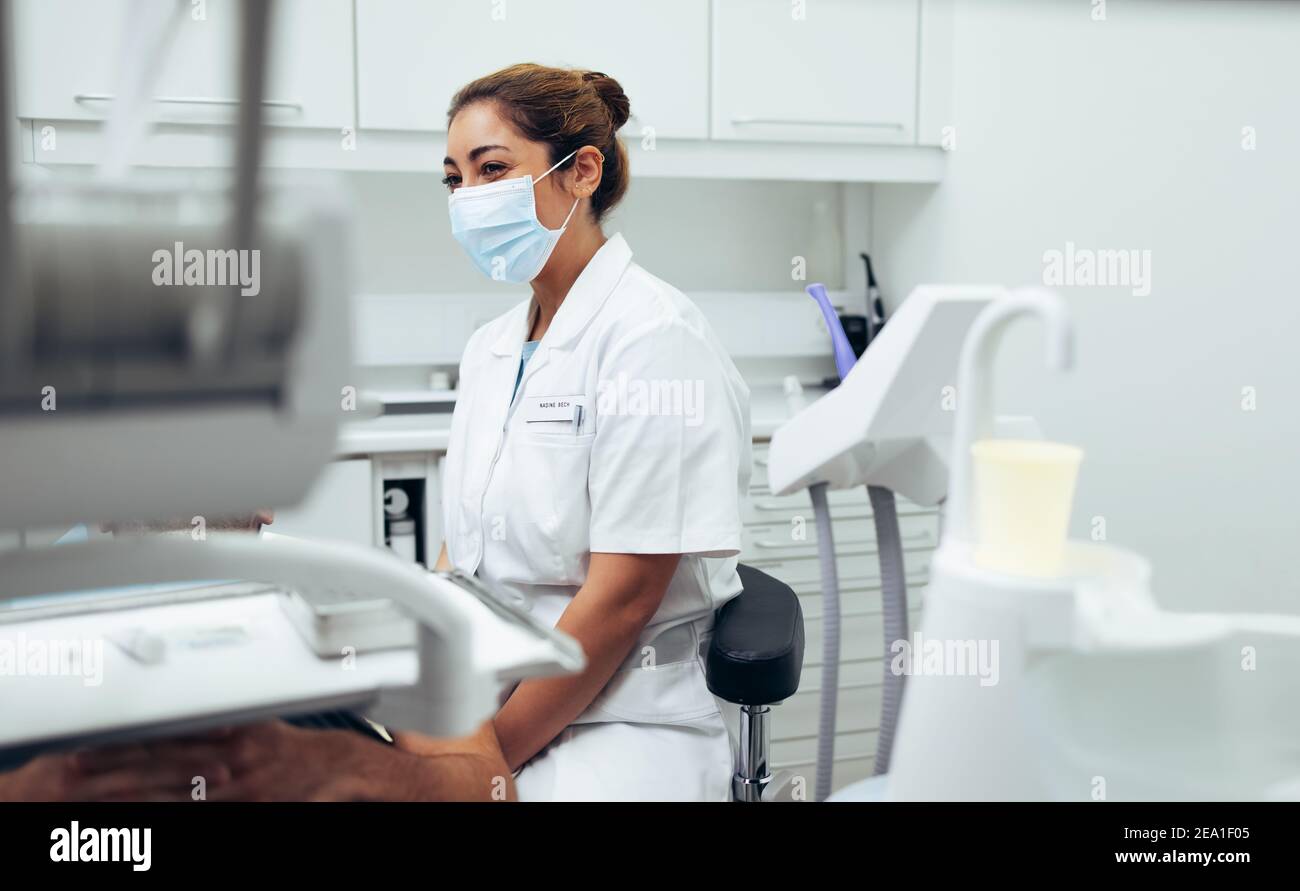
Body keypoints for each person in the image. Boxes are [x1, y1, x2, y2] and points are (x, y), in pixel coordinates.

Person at [436, 64, 750, 801]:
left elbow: (622, 599)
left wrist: (484, 763)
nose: (468, 201)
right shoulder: (490, 348)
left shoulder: (653, 339)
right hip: (489, 699)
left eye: (493, 170)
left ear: (580, 173)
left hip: (624, 717)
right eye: (454, 179)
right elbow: (460, 552)